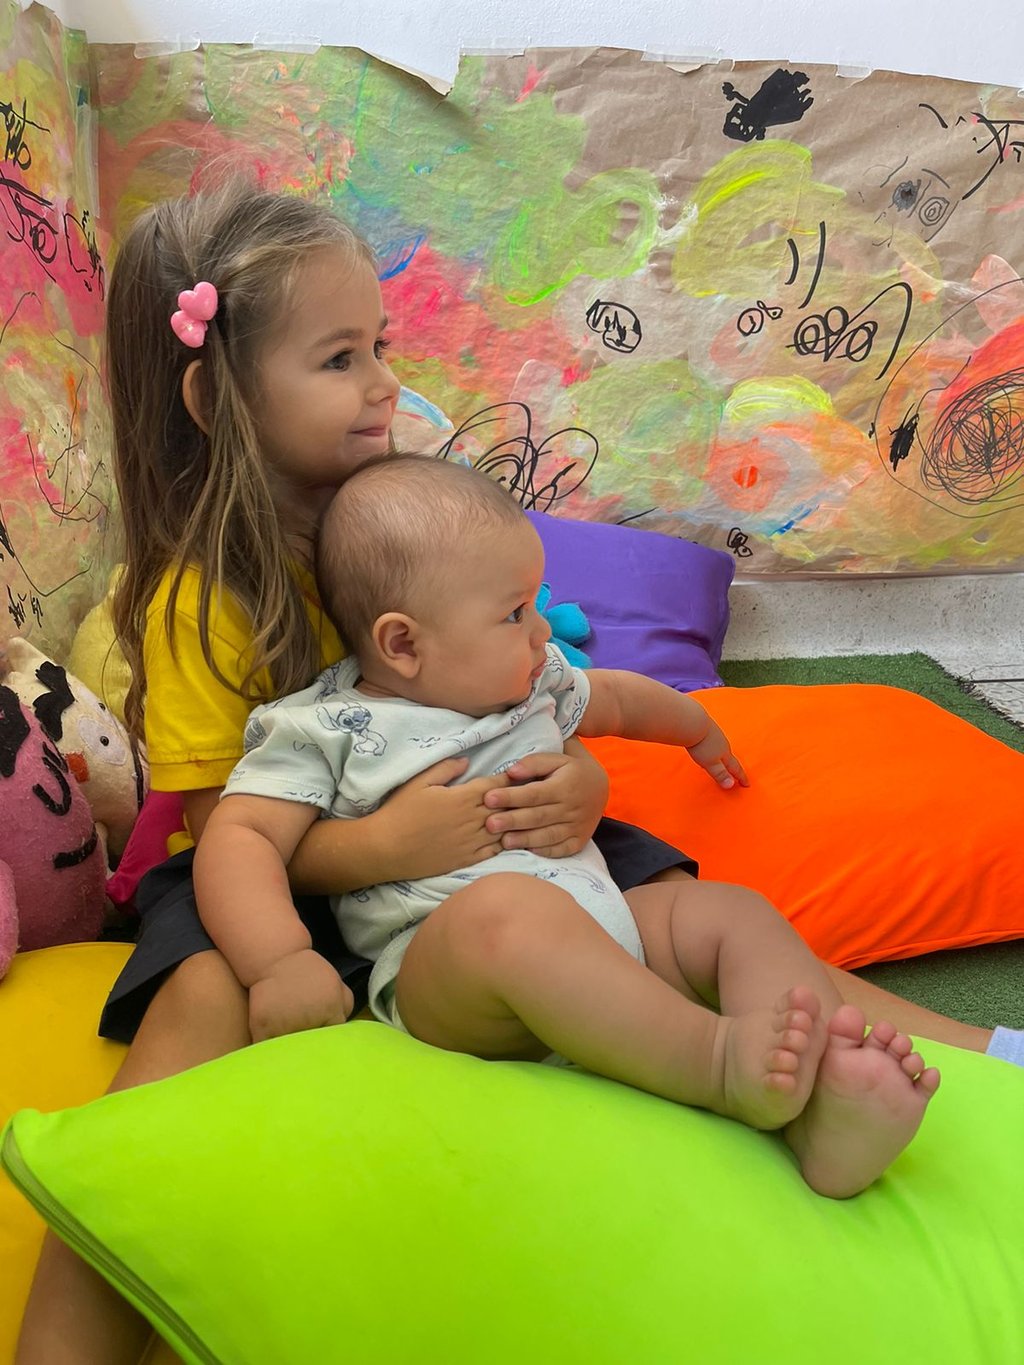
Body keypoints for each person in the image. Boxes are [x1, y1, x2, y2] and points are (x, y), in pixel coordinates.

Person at [15, 181, 1020, 1365]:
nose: (385, 382)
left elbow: (529, 681)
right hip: (285, 880)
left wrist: (584, 787)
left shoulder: (398, 512)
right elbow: (231, 829)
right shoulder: (197, 602)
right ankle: (70, 1336)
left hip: (487, 838)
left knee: (713, 917)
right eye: (340, 359)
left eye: (379, 344)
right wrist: (378, 857)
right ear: (217, 394)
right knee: (194, 1011)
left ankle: (970, 1066)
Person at [194, 454, 941, 1201]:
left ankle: (817, 1097)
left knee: (728, 913)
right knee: (506, 914)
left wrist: (694, 726)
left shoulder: (530, 676)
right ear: (403, 644)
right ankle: (719, 1063)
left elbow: (613, 697)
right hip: (453, 972)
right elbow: (243, 835)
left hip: (604, 922)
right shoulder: (327, 727)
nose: (541, 627)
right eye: (515, 611)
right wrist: (279, 961)